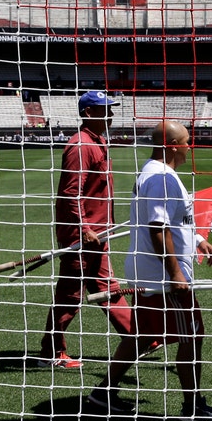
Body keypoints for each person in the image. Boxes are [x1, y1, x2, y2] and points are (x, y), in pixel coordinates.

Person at [86, 120, 212, 421]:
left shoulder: (158, 173)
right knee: (192, 335)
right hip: (162, 275)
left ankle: (103, 394)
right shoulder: (162, 177)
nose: (190, 146)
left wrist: (199, 240)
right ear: (174, 145)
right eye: (187, 141)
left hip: (148, 269)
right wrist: (176, 274)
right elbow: (158, 229)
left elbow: (176, 219)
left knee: (140, 335)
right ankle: (194, 406)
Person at [36, 90, 133, 368]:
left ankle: (137, 337)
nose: (111, 115)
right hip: (83, 236)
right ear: (89, 114)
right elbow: (71, 193)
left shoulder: (98, 142)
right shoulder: (81, 146)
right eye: (105, 110)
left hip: (98, 234)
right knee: (70, 295)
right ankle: (52, 353)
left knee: (108, 288)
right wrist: (84, 228)